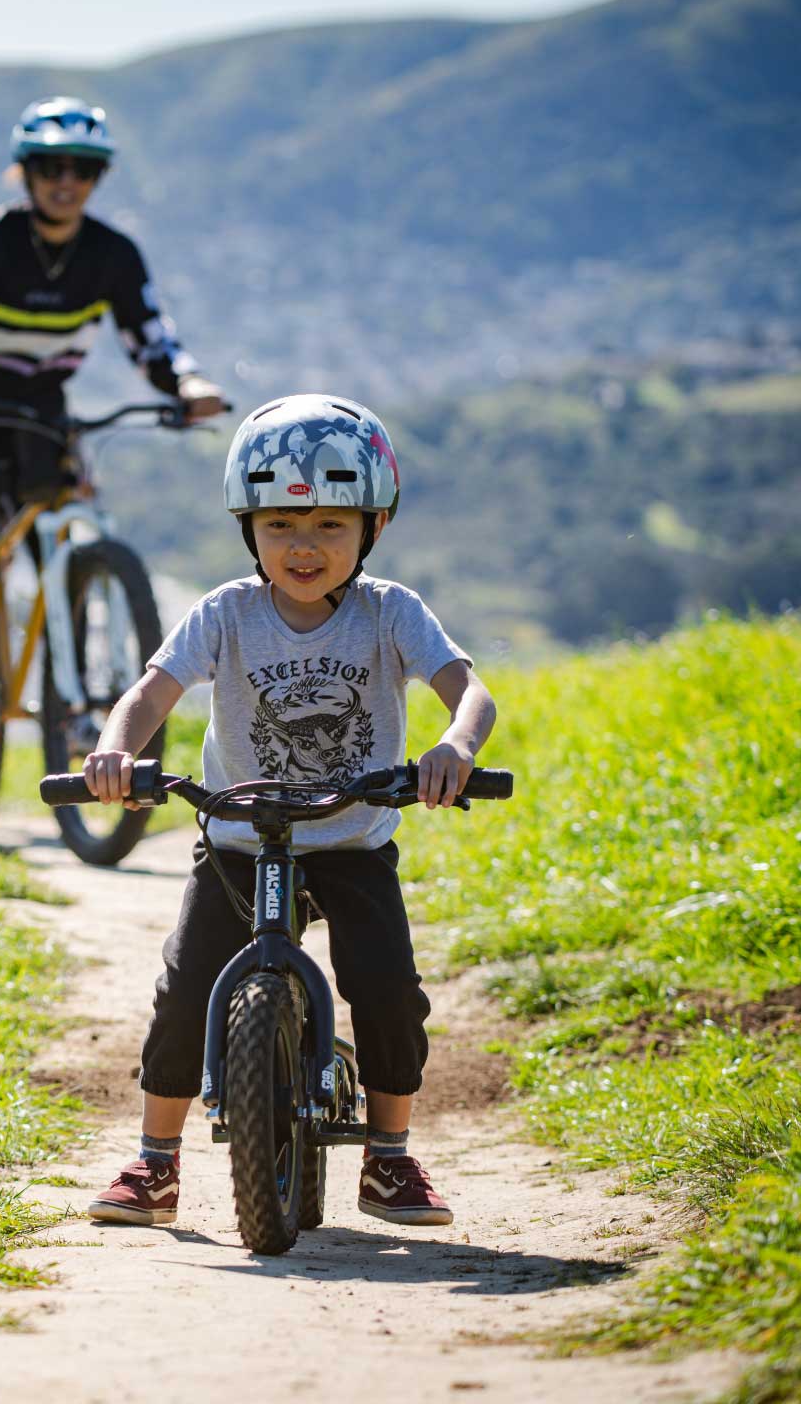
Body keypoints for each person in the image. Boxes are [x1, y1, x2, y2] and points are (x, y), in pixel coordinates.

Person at [70, 393, 498, 1229]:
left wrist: (455, 747)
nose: (303, 548)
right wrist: (116, 750)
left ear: (372, 528)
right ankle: (155, 1164)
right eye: (279, 527)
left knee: (387, 989)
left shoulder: (392, 613)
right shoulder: (227, 613)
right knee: (186, 986)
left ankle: (390, 1159)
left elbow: (469, 690)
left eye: (331, 528)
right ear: (248, 529)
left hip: (350, 836)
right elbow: (150, 692)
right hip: (239, 836)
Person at [0, 97, 225, 678]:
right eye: (50, 166)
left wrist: (187, 382)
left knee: (56, 507)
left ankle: (66, 689)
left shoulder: (113, 255)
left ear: (99, 177)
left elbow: (150, 336)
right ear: (24, 171)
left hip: (37, 403)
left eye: (84, 168)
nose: (66, 182)